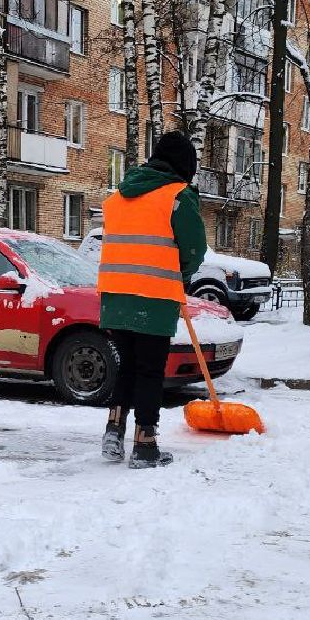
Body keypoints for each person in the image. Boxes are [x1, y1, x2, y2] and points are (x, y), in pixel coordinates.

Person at [97, 131, 207, 467]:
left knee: (128, 365)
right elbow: (194, 249)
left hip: (115, 296)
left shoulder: (117, 197)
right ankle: (145, 443)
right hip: (154, 297)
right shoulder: (177, 196)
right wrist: (182, 271)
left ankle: (113, 433)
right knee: (149, 371)